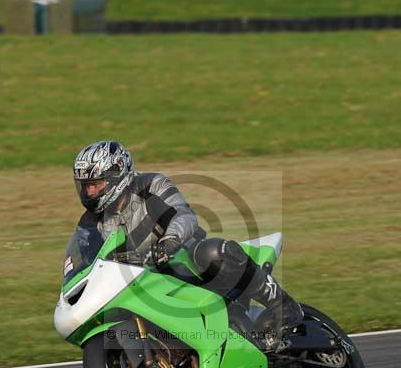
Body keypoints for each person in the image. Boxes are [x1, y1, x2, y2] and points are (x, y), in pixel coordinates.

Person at [67, 140, 303, 348]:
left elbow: (184, 215)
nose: (89, 192)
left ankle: (283, 306)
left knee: (211, 252)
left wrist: (170, 241)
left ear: (116, 175)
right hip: (143, 280)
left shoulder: (150, 186)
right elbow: (88, 260)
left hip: (183, 259)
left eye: (95, 184)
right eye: (85, 186)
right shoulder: (91, 223)